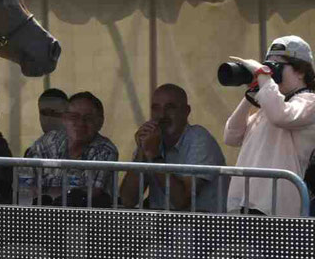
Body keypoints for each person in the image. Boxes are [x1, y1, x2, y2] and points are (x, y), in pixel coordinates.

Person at [224, 36, 315, 216]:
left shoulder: (309, 102)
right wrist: (251, 93)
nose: (271, 74)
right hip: (244, 203)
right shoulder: (270, 105)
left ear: (301, 72)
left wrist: (263, 77)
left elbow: (281, 115)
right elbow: (231, 137)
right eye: (268, 68)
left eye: (277, 68)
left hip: (276, 208)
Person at [119, 84, 226, 212]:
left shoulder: (199, 139)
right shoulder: (152, 140)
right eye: (156, 109)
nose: (162, 115)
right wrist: (142, 152)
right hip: (162, 228)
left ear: (186, 112)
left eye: (170, 108)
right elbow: (127, 200)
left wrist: (154, 156)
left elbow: (181, 202)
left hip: (202, 229)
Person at [25, 91, 119, 206]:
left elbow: (91, 193)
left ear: (100, 122)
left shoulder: (105, 150)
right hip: (40, 217)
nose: (80, 123)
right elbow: (25, 186)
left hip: (84, 220)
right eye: (74, 117)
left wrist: (45, 192)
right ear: (64, 119)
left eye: (88, 118)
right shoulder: (48, 141)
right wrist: (70, 192)